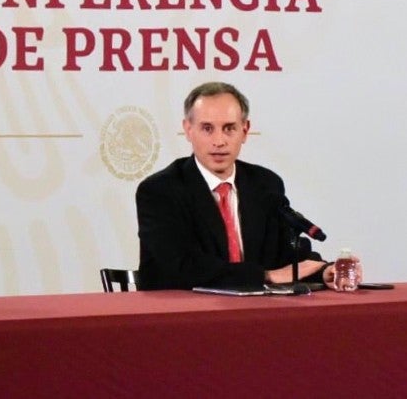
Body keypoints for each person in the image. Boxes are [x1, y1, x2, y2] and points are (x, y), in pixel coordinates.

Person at [136, 82, 354, 291]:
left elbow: (286, 256)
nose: (219, 141)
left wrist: (325, 272)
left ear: (245, 130)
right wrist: (265, 276)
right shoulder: (159, 191)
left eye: (229, 128)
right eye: (207, 129)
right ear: (188, 129)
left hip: (254, 314)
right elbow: (180, 267)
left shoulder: (264, 184)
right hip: (182, 317)